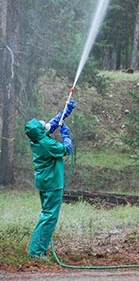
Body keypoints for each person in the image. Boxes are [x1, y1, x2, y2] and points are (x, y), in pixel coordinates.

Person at [24, 100, 77, 259]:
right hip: (52, 182)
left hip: (45, 181)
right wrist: (66, 135)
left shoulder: (37, 139)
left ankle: (39, 248)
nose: (45, 124)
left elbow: (51, 124)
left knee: (47, 214)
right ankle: (36, 252)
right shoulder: (47, 144)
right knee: (49, 216)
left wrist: (65, 112)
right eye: (42, 125)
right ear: (40, 131)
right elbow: (66, 149)